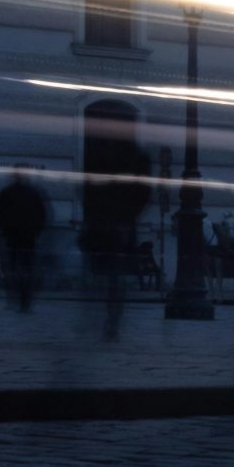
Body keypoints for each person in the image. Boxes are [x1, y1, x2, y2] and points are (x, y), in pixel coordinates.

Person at [78, 144, 149, 340]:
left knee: (109, 278)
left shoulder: (103, 156)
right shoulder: (133, 157)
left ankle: (109, 319)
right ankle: (111, 319)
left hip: (109, 230)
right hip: (116, 230)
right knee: (112, 279)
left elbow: (88, 190)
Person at [0, 169, 49, 312]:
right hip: (26, 237)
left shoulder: (8, 193)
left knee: (14, 270)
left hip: (15, 236)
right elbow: (42, 214)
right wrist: (36, 231)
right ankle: (24, 300)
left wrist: (4, 229)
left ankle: (16, 298)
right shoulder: (32, 193)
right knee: (24, 270)